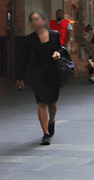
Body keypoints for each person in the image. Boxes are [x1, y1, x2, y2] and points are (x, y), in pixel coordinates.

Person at [16, 10, 63, 145]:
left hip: (53, 72)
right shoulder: (29, 39)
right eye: (32, 20)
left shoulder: (54, 35)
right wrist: (20, 77)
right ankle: (45, 133)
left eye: (37, 19)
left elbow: (60, 49)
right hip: (37, 73)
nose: (34, 22)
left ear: (43, 20)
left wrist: (57, 54)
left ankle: (51, 121)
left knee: (52, 103)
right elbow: (23, 59)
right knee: (42, 102)